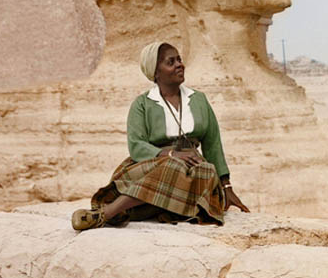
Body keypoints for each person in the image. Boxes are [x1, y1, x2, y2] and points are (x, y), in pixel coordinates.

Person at [72, 41, 249, 230]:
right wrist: (171, 155)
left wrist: (227, 187)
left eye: (179, 60)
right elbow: (136, 145)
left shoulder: (199, 100)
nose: (179, 64)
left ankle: (118, 212)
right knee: (173, 166)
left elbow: (213, 145)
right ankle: (107, 213)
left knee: (204, 171)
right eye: (170, 62)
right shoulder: (142, 104)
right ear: (155, 73)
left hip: (193, 169)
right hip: (151, 164)